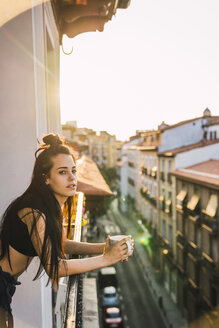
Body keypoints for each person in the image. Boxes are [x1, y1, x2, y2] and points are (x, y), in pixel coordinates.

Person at [0, 133, 133, 327]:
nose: (72, 178)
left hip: (6, 284)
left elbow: (59, 243)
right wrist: (107, 259)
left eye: (73, 170)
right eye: (62, 172)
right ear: (45, 178)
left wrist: (102, 248)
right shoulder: (34, 212)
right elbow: (55, 267)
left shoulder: (48, 206)